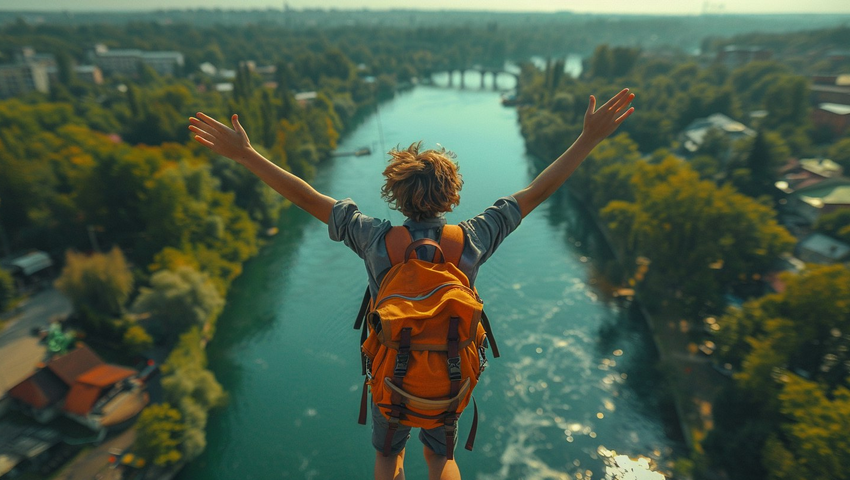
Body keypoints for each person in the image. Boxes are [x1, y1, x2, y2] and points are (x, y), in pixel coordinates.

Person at [188, 88, 635, 480]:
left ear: (395, 194)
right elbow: (537, 192)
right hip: (450, 377)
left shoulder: (374, 239)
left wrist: (246, 154)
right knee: (441, 459)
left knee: (389, 455)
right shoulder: (472, 239)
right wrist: (588, 138)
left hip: (391, 378)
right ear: (452, 194)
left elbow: (306, 196)